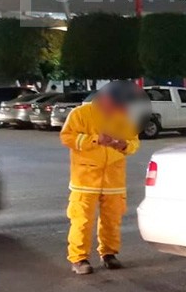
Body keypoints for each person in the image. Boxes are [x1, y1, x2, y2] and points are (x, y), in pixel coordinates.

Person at [59, 81, 141, 274]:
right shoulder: (80, 114)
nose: (119, 107)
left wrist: (124, 145)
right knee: (82, 220)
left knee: (112, 220)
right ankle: (79, 259)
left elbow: (134, 142)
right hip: (85, 179)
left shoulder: (123, 116)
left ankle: (109, 254)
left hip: (114, 179)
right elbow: (67, 137)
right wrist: (95, 139)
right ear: (104, 98)